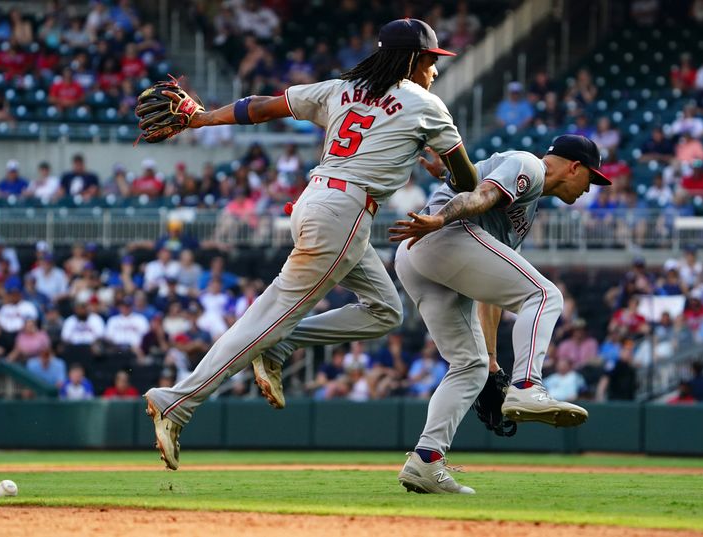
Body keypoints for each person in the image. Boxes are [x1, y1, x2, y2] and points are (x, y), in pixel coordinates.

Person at [143, 18, 478, 473]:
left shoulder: (341, 89)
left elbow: (260, 107)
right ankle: (176, 400)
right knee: (267, 315)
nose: (435, 70)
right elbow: (468, 180)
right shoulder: (425, 104)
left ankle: (279, 347)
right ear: (414, 59)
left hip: (317, 200)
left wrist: (202, 118)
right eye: (432, 60)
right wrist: (443, 170)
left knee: (384, 309)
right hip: (345, 213)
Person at [389, 134, 610, 493]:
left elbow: (487, 293)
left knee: (470, 366)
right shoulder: (530, 166)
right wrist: (442, 217)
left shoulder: (528, 201)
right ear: (574, 167)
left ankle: (425, 461)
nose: (590, 188)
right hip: (442, 234)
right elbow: (483, 196)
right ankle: (528, 385)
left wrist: (492, 363)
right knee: (544, 295)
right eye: (592, 177)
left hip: (417, 255)